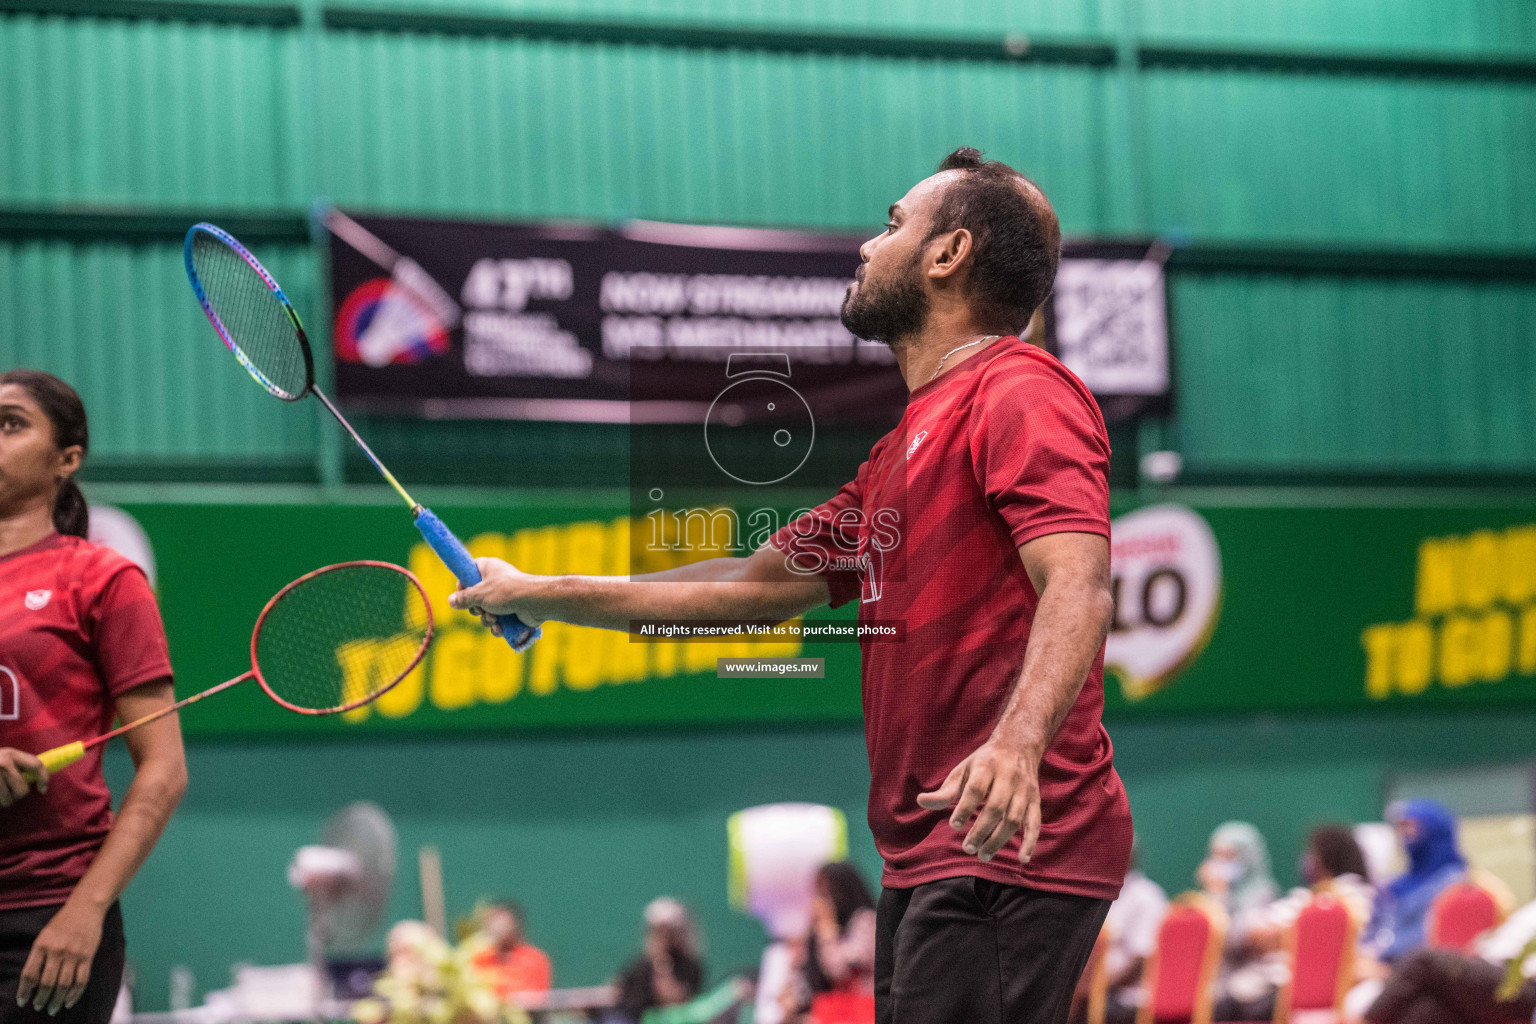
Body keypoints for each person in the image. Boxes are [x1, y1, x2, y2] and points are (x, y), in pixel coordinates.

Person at [451, 147, 1131, 1024]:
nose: (866, 246)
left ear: (947, 254)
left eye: (892, 225)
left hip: (1006, 840)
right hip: (930, 849)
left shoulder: (1019, 391)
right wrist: (535, 590)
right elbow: (746, 587)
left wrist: (1018, 746)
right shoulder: (896, 456)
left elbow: (1078, 579)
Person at [0, 370, 187, 1024]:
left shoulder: (102, 580)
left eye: (11, 423)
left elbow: (163, 770)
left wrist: (86, 909)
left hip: (43, 922)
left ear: (67, 459)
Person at [1363, 895, 1536, 1024]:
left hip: (1522, 981)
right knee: (1425, 1009)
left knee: (1424, 960)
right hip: (1491, 966)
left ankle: (1363, 1021)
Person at [1071, 842, 1167, 1024]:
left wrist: (1099, 986)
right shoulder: (1099, 893)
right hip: (1090, 989)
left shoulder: (1147, 897)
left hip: (1125, 995)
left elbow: (1142, 958)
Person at [1198, 822, 1282, 1022]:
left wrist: (1219, 895)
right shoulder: (1205, 899)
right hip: (1216, 984)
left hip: (1254, 983)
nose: (1220, 864)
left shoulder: (1263, 893)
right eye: (1215, 857)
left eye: (1228, 857)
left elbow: (1234, 940)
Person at [1365, 801, 1467, 965]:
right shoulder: (1398, 884)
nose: (1405, 835)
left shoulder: (1454, 883)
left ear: (1433, 831)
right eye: (1401, 828)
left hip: (1422, 969)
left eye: (1410, 826)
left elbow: (1429, 936)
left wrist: (1380, 955)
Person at [781, 862, 878, 1022]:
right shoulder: (821, 928)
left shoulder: (864, 921)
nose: (821, 901)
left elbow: (838, 971)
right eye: (819, 893)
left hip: (863, 1011)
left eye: (827, 893)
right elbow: (810, 976)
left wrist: (827, 928)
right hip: (833, 1010)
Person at [610, 898, 704, 1024]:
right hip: (621, 1016)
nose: (660, 935)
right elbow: (618, 989)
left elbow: (672, 999)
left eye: (666, 931)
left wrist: (661, 962)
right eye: (656, 930)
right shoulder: (642, 962)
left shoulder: (688, 965)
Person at [467, 900, 551, 1002]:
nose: (498, 926)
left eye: (503, 921)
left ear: (515, 925)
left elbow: (535, 997)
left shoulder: (534, 959)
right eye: (493, 921)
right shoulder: (478, 959)